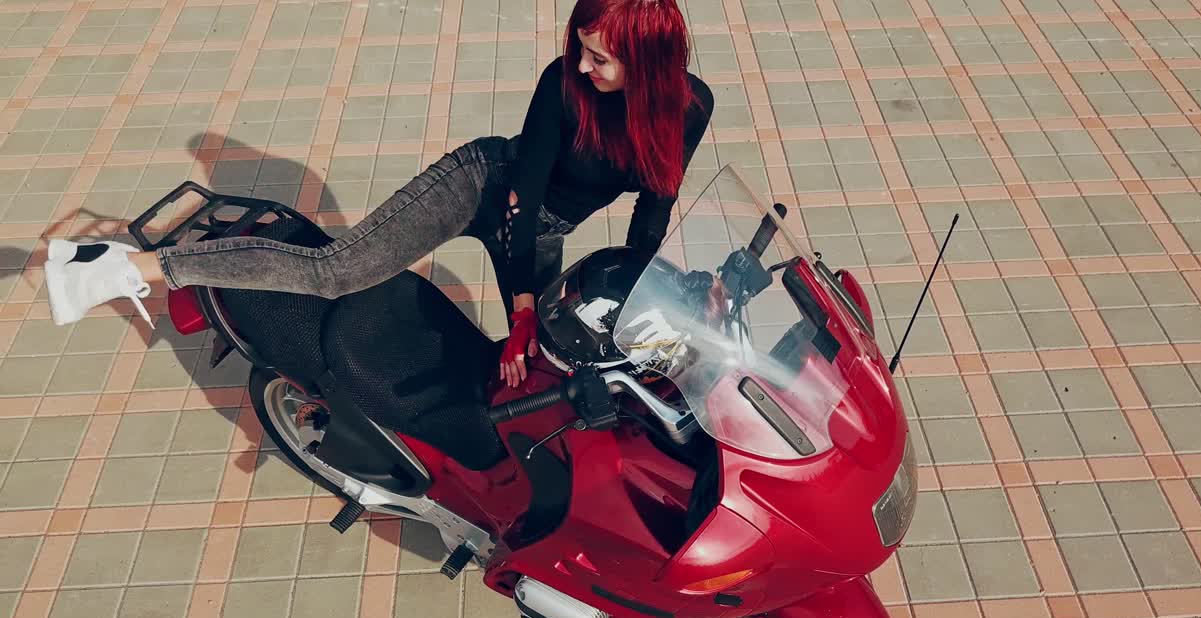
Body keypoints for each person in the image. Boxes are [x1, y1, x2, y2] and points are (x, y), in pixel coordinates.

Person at [43, 0, 713, 389]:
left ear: (648, 61)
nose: (583, 65)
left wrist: (661, 292)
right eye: (583, 49)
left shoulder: (688, 108)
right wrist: (523, 307)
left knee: (552, 356)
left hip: (541, 229)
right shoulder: (563, 84)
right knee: (337, 271)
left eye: (600, 58)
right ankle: (123, 266)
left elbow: (653, 209)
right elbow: (522, 194)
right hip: (483, 185)